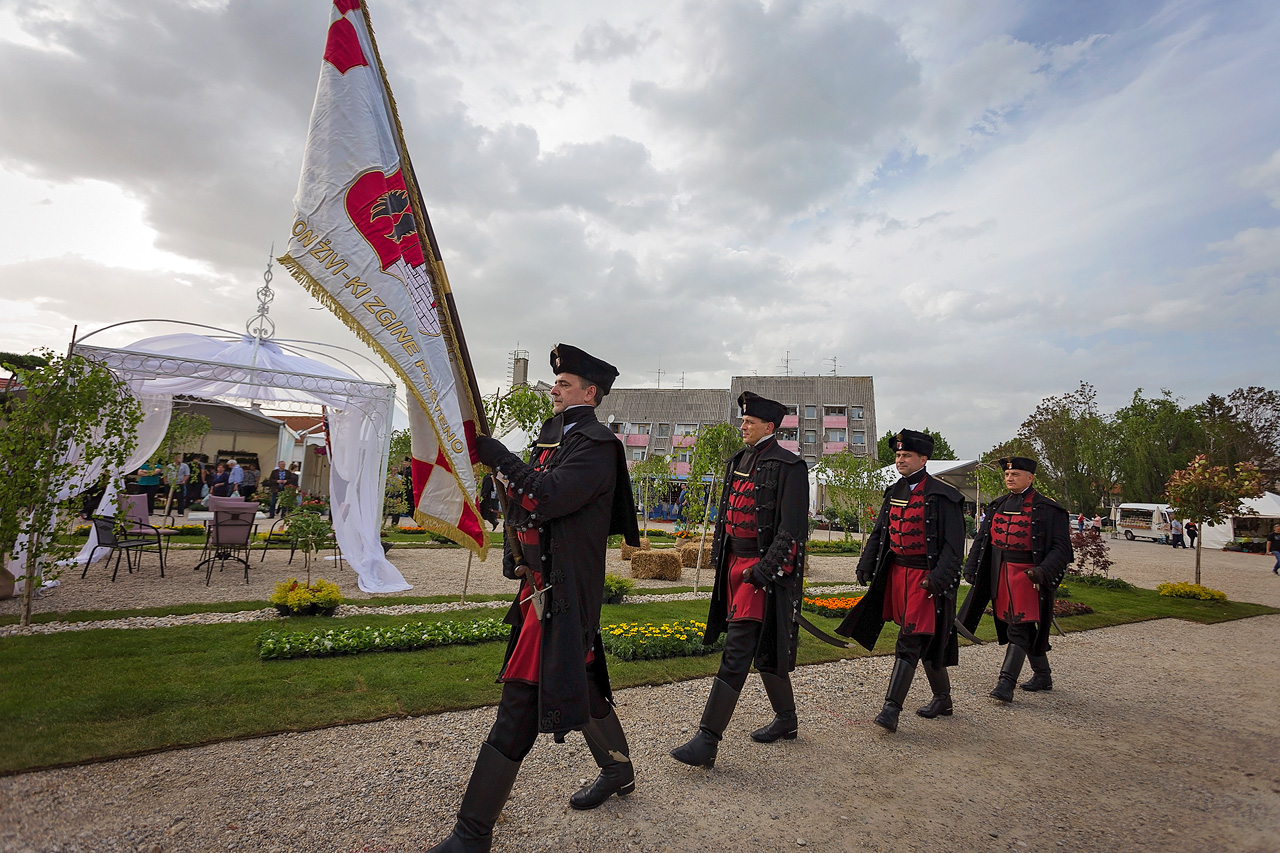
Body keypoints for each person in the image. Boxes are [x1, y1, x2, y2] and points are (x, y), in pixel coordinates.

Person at [429, 344, 640, 853]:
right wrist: (515, 552)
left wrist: (494, 450)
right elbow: (520, 500)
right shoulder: (551, 436)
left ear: (591, 393)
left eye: (565, 384)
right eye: (555, 383)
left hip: (565, 592)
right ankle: (618, 771)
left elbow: (547, 496)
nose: (554, 389)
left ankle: (471, 833)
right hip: (539, 586)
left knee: (519, 703)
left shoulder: (598, 445)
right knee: (583, 681)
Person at [670, 392, 809, 768]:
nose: (743, 426)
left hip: (760, 572)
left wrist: (765, 571)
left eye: (749, 422)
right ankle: (787, 720)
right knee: (764, 648)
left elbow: (792, 530)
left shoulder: (791, 466)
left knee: (737, 649)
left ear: (769, 426)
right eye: (742, 420)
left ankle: (707, 739)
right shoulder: (738, 460)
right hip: (734, 566)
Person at [836, 429, 964, 733]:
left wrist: (937, 580)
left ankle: (891, 709)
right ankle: (943, 698)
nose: (900, 460)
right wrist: (866, 564)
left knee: (909, 640)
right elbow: (881, 532)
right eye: (897, 455)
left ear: (923, 458)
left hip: (925, 579)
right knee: (924, 638)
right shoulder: (894, 492)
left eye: (906, 455)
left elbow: (954, 546)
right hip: (897, 574)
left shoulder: (944, 495)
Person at [960, 457, 1073, 700]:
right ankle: (1043, 675)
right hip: (1000, 574)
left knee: (1019, 626)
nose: (1010, 478)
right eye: (1008, 475)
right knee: (1018, 625)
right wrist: (971, 566)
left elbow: (1062, 550)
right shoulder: (998, 505)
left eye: (1016, 474)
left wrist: (1043, 571)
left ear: (1030, 478)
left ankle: (1006, 684)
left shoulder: (1049, 509)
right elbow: (983, 539)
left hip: (1029, 577)